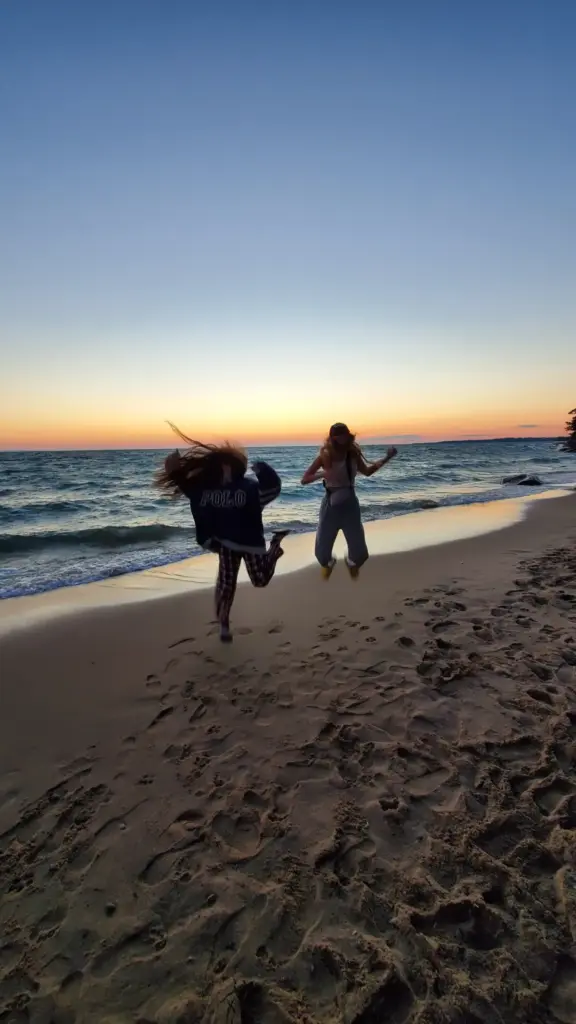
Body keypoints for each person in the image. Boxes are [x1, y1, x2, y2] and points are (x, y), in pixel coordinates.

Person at [156, 425, 288, 642]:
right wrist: (175, 471)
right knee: (226, 585)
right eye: (221, 466)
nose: (224, 470)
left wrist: (263, 470)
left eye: (228, 466)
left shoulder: (249, 489)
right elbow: (192, 493)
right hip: (226, 543)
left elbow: (272, 490)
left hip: (250, 543)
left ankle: (275, 545)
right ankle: (224, 624)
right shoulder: (210, 490)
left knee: (260, 580)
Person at [301, 423, 397, 579]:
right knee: (321, 554)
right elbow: (304, 479)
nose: (342, 439)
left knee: (361, 554)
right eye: (338, 436)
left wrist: (387, 458)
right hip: (330, 505)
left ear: (349, 436)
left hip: (350, 505)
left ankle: (351, 562)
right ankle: (329, 563)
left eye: (344, 435)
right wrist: (323, 474)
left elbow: (367, 472)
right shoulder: (324, 456)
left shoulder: (353, 455)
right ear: (332, 438)